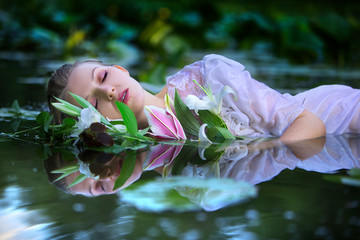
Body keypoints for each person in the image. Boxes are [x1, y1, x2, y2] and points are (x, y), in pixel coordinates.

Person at [47, 54, 359, 144]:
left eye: (102, 77)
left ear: (118, 68)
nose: (110, 91)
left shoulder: (208, 76)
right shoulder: (159, 152)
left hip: (340, 114)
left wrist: (262, 151)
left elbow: (309, 122)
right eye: (96, 103)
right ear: (97, 126)